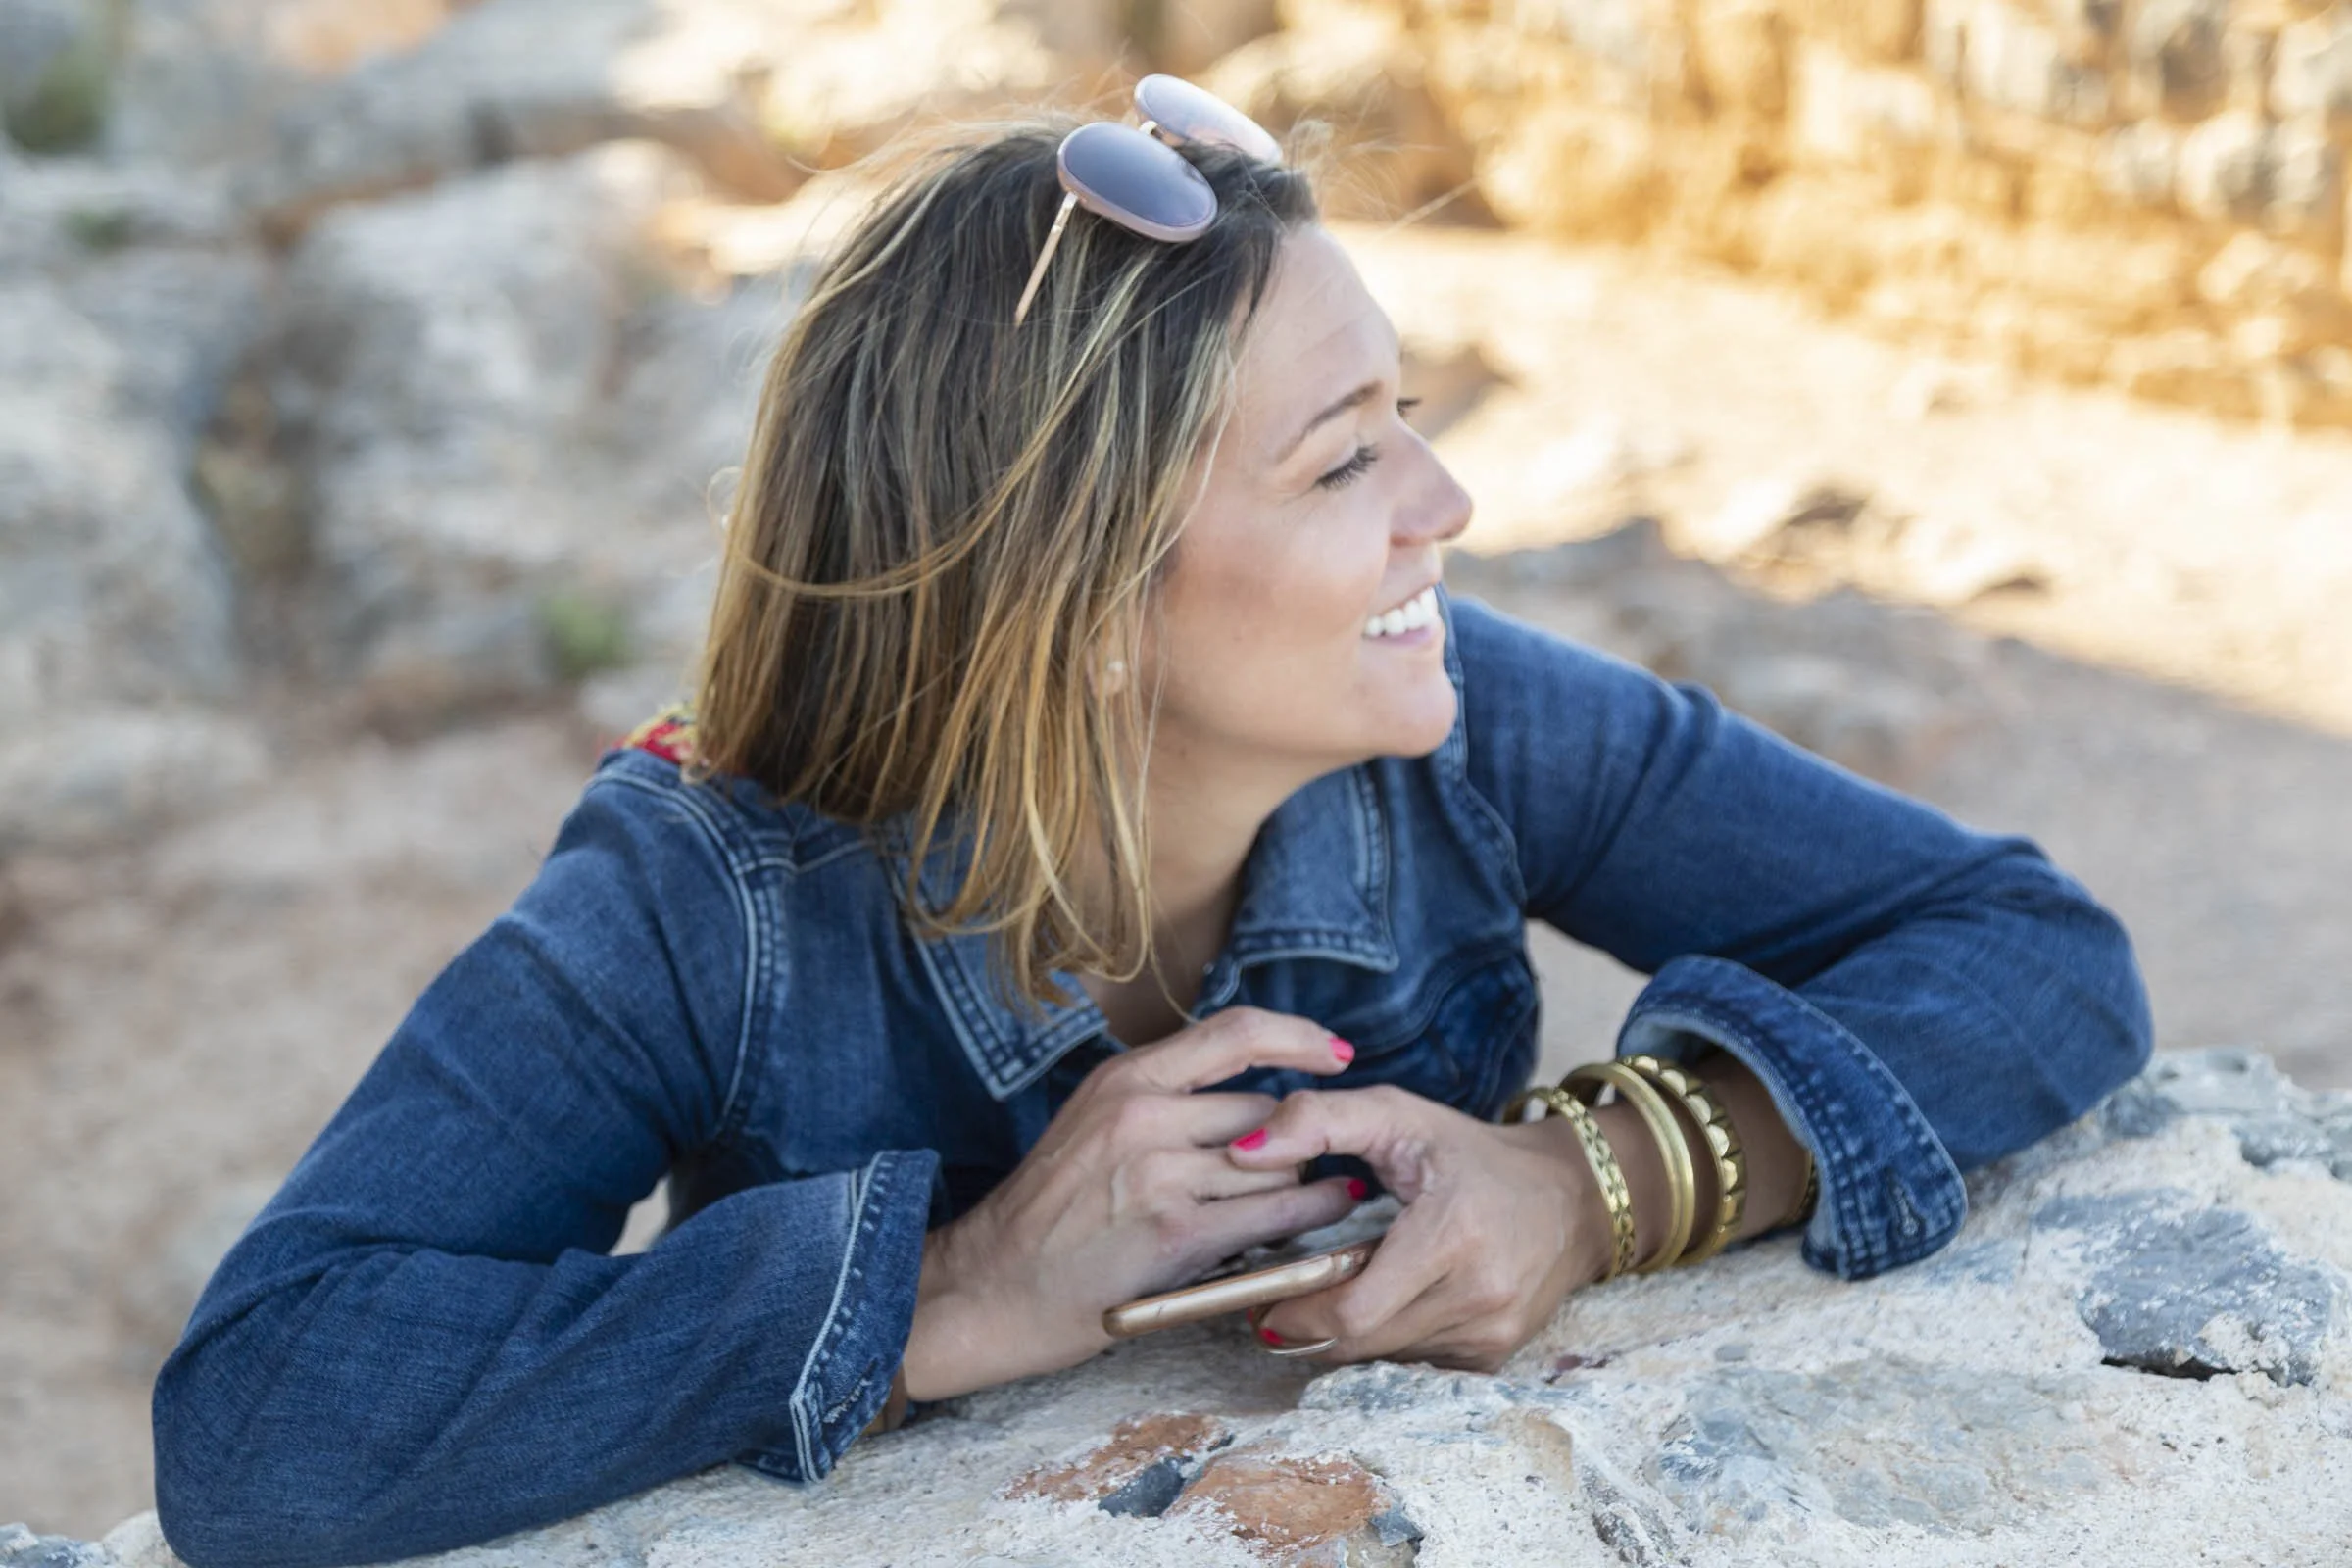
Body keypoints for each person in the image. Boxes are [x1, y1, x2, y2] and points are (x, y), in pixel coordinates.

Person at [151, 83, 2152, 1568]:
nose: (1443, 506)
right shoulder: (705, 895)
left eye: (1412, 414)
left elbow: (2030, 947)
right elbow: (264, 1408)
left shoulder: (1469, 724)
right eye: (1347, 455)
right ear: (1091, 602)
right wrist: (957, 1286)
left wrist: (1598, 1180)